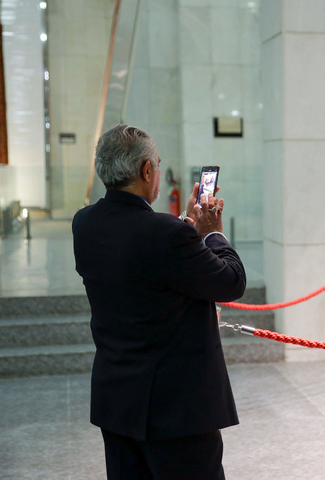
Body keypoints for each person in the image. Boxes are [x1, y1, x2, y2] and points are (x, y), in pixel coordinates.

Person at [72, 124, 246, 480]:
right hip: (175, 412)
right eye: (157, 166)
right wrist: (211, 232)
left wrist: (185, 226)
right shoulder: (166, 234)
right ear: (146, 171)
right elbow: (231, 282)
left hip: (118, 401)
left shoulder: (85, 223)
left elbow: (144, 263)